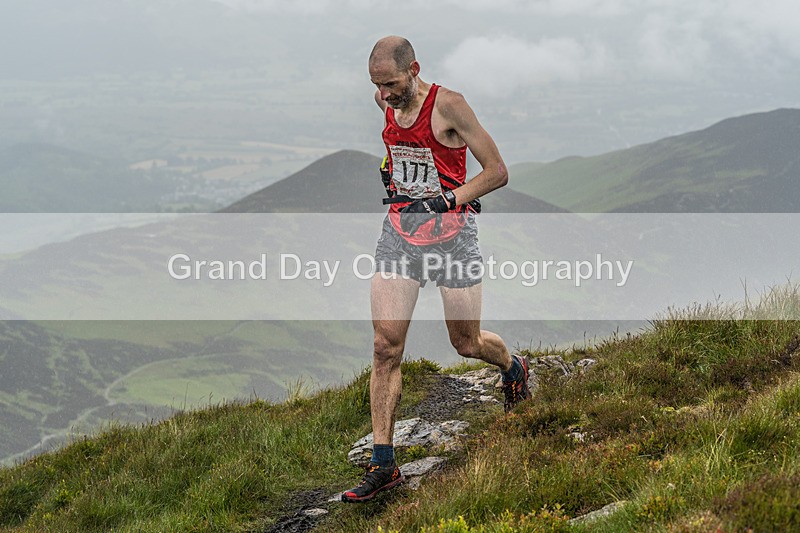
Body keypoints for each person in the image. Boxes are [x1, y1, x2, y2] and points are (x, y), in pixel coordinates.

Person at [341, 36, 531, 503]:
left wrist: (445, 200)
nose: (383, 95)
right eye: (376, 86)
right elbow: (400, 147)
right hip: (399, 237)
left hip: (453, 239)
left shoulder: (449, 106)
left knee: (466, 343)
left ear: (414, 69)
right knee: (385, 346)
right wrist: (393, 174)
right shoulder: (386, 100)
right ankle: (383, 464)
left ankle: (512, 367)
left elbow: (497, 171)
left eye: (390, 84)